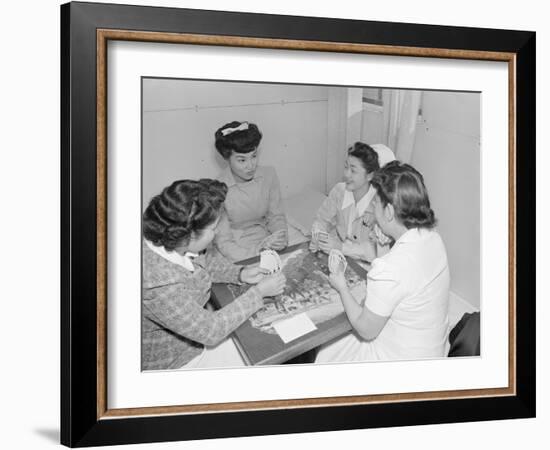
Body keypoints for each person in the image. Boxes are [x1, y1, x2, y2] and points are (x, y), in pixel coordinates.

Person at [142, 179, 286, 370]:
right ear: (189, 235)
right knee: (266, 348)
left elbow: (204, 262)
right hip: (176, 361)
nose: (217, 232)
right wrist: (258, 293)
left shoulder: (174, 241)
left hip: (193, 335)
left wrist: (240, 273)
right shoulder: (157, 283)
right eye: (212, 228)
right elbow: (211, 330)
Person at [316, 161, 450, 362]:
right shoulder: (433, 238)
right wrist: (382, 245)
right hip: (431, 351)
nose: (372, 208)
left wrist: (342, 287)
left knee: (327, 349)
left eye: (375, 203)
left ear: (388, 212)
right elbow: (394, 286)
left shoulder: (391, 268)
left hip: (400, 363)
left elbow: (366, 329)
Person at [213, 121, 288, 262]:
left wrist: (280, 235)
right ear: (227, 159)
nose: (251, 166)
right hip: (234, 248)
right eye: (242, 160)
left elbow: (276, 216)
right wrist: (258, 251)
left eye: (254, 156)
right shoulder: (217, 190)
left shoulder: (269, 175)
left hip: (264, 237)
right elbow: (224, 242)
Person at [311, 142, 392, 263]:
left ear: (370, 175)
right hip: (340, 257)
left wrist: (341, 247)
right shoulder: (339, 191)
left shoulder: (379, 205)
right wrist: (318, 237)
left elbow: (375, 251)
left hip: (367, 265)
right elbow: (321, 220)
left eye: (353, 171)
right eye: (345, 167)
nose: (346, 174)